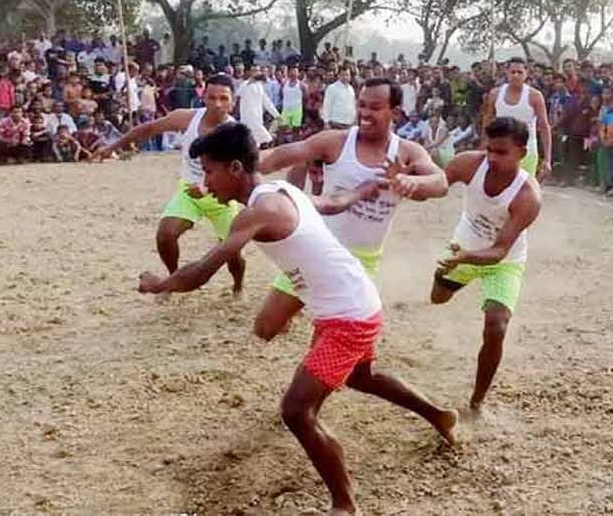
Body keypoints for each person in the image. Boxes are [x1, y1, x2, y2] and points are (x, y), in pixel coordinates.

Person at [138, 123, 457, 515]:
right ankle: (439, 415)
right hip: (347, 304)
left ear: (235, 168)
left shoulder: (259, 210)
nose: (206, 181)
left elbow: (203, 270)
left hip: (349, 318)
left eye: (209, 170)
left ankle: (345, 504)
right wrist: (364, 190)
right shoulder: (281, 191)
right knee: (360, 376)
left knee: (296, 411)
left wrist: (159, 285)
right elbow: (332, 204)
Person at [257, 78, 448, 327]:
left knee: (337, 340)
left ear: (396, 112)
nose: (365, 113)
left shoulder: (407, 152)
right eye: (361, 105)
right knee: (266, 326)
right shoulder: (336, 141)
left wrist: (412, 182)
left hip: (361, 260)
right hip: (316, 247)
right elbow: (278, 156)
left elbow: (441, 182)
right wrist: (234, 164)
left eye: (375, 107)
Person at [91, 74, 246, 297]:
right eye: (211, 98)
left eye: (223, 98)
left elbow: (238, 175)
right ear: (204, 98)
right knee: (165, 235)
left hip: (222, 197)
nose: (217, 104)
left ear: (233, 101)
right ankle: (172, 281)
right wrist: (111, 147)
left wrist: (208, 188)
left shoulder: (236, 133)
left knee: (232, 254)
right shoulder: (187, 118)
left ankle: (238, 285)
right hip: (189, 191)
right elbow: (147, 129)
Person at [430, 117, 541, 413]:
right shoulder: (469, 163)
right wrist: (408, 178)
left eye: (502, 152)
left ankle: (477, 400)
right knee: (437, 298)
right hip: (462, 245)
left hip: (501, 261)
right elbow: (437, 184)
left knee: (496, 327)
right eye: (490, 149)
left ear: (522, 153)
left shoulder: (528, 196)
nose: (492, 158)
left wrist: (465, 257)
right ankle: (448, 281)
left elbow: (500, 250)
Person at [481, 57, 553, 180]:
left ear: (526, 74)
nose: (515, 75)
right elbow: (487, 121)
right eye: (512, 72)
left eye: (519, 72)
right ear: (506, 73)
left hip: (527, 152)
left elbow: (544, 127)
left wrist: (547, 159)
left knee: (525, 191)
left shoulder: (535, 96)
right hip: (500, 151)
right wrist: (483, 145)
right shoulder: (495, 94)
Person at [237, 65, 279, 147]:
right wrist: (249, 83)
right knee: (267, 138)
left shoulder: (260, 86)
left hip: (258, 118)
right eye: (254, 71)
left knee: (258, 143)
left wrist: (277, 115)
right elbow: (238, 94)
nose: (256, 73)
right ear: (250, 72)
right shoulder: (244, 84)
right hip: (248, 119)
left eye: (257, 71)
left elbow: (266, 102)